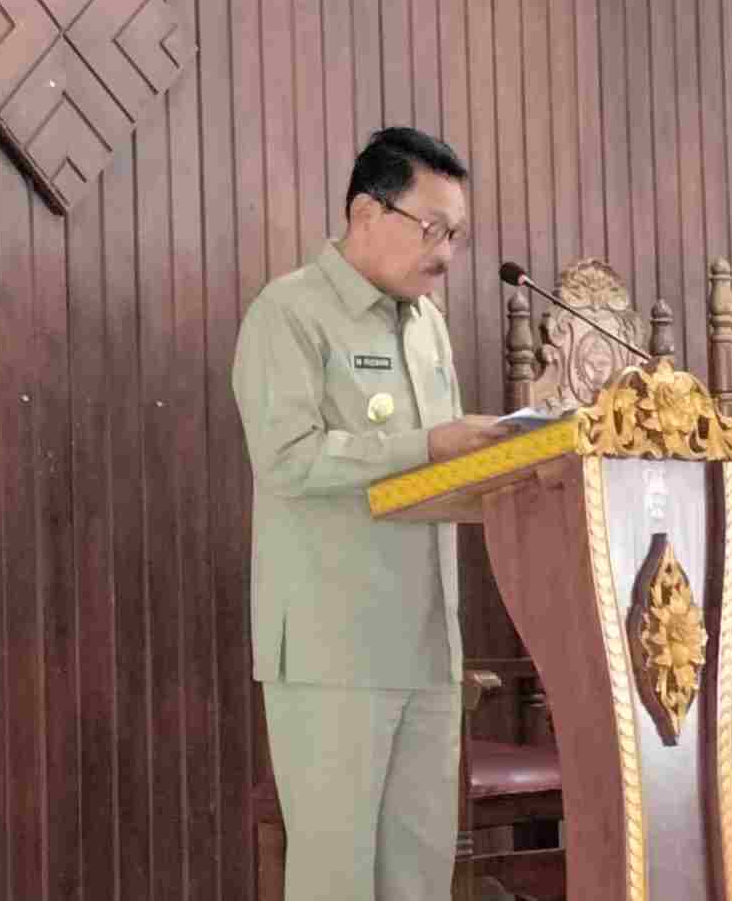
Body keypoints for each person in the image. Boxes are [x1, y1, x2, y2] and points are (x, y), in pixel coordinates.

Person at [232, 127, 512, 900]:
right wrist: (427, 445)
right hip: (335, 650)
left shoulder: (427, 326)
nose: (446, 254)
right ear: (365, 212)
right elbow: (286, 459)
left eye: (456, 235)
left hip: (428, 645)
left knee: (418, 879)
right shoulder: (289, 313)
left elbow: (439, 472)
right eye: (433, 229)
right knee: (337, 880)